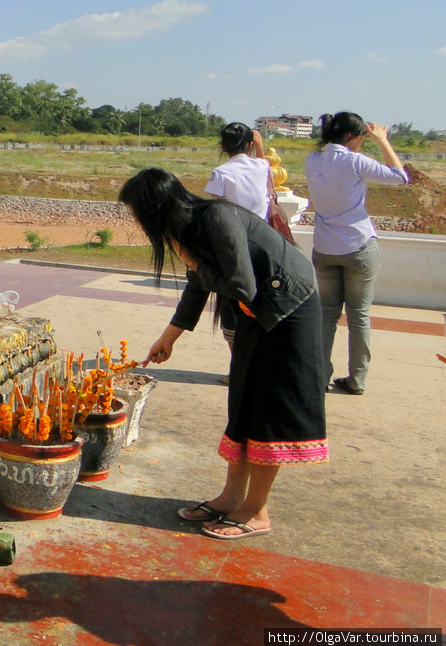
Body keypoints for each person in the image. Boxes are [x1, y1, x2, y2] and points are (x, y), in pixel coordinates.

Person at [120, 168, 327, 540]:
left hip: (288, 311)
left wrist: (197, 265)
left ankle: (257, 510)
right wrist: (169, 337)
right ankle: (232, 498)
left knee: (268, 410)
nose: (136, 222)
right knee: (243, 402)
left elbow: (242, 286)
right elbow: (198, 287)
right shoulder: (186, 229)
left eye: (137, 213)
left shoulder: (215, 216)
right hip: (259, 314)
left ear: (153, 208)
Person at [304, 112, 409, 395]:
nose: (365, 142)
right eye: (363, 137)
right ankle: (356, 379)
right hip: (358, 246)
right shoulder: (355, 161)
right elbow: (400, 177)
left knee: (326, 315)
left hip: (325, 247)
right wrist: (383, 140)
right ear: (351, 136)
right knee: (358, 316)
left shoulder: (312, 160)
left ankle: (319, 375)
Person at [205, 123, 272, 383]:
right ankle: (258, 365)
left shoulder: (221, 173)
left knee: (232, 312)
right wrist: (261, 148)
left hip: (231, 250)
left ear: (223, 146)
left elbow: (213, 212)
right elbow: (265, 170)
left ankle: (240, 369)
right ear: (250, 144)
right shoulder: (261, 166)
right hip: (261, 246)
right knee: (258, 307)